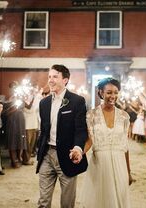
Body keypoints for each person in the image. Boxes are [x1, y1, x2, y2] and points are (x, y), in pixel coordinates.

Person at [36, 64, 88, 208]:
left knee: (67, 202)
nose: (50, 80)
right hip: (46, 155)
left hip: (67, 154)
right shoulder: (43, 103)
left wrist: (78, 148)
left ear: (65, 80)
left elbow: (81, 130)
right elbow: (44, 129)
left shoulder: (77, 101)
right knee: (43, 201)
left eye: (55, 77)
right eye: (49, 77)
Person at [79, 77, 133, 208]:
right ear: (101, 93)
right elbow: (89, 140)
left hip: (120, 164)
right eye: (109, 92)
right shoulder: (91, 115)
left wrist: (129, 172)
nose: (112, 96)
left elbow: (125, 146)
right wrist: (80, 152)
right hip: (100, 165)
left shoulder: (124, 116)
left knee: (119, 200)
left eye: (115, 92)